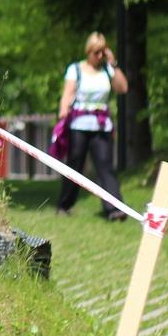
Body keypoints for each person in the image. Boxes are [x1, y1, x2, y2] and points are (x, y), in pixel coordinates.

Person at [55, 32, 129, 220]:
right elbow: (68, 92)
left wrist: (114, 64)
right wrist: (63, 109)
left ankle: (114, 209)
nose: (98, 56)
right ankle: (64, 205)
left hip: (101, 126)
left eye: (101, 53)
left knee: (105, 167)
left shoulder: (107, 69)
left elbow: (122, 88)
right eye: (95, 52)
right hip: (79, 125)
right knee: (75, 165)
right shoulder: (76, 69)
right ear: (89, 51)